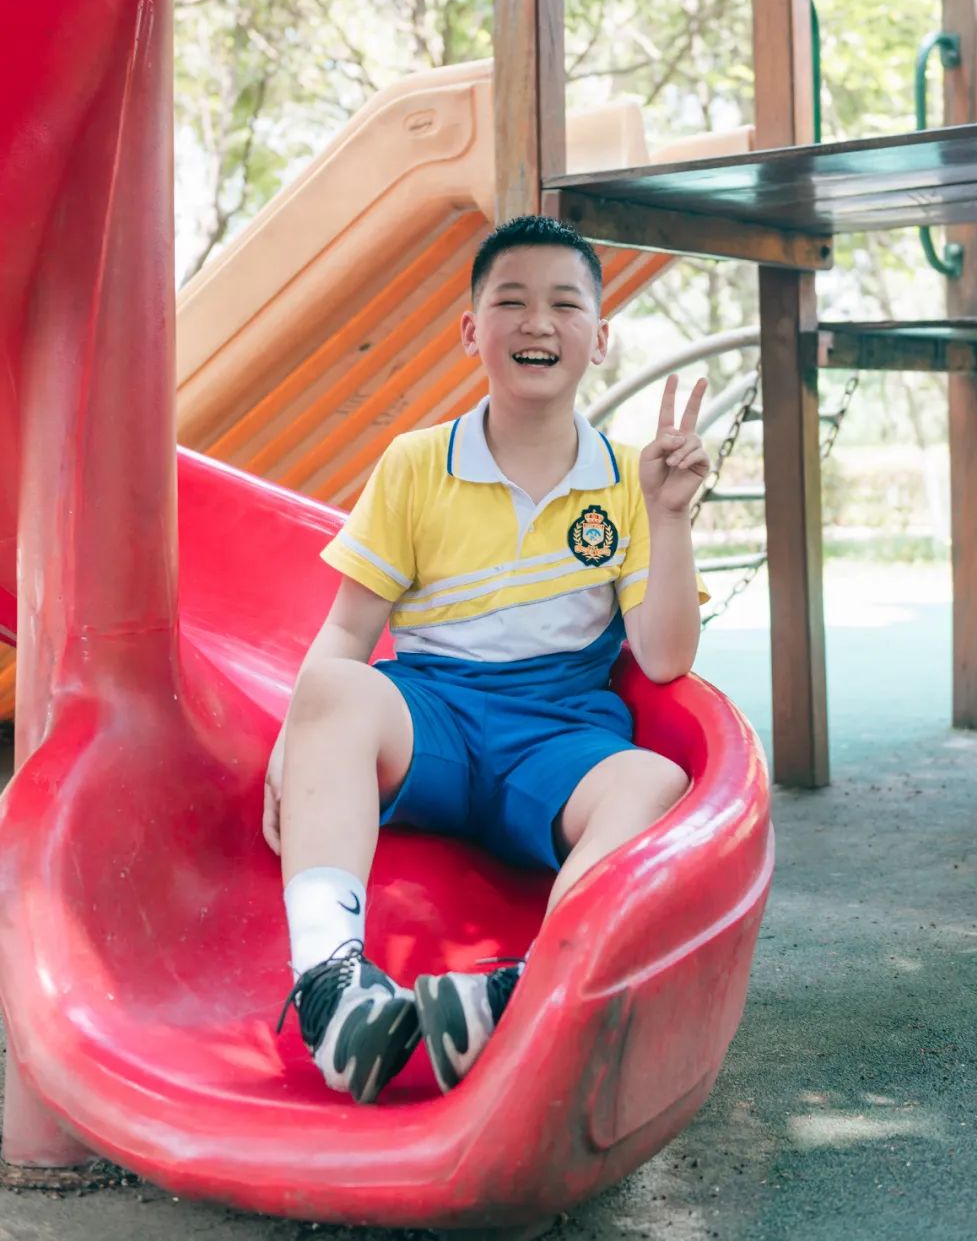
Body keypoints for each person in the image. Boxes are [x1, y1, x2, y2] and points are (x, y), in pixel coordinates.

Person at [266, 214, 710, 1103]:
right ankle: (332, 988)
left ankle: (524, 995)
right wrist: (294, 745)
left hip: (557, 731)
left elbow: (663, 659)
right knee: (334, 687)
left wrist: (668, 517)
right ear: (472, 331)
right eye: (511, 301)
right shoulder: (417, 463)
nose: (538, 322)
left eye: (565, 304)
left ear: (600, 336)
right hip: (434, 712)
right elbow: (348, 634)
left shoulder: (629, 478)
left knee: (654, 782)